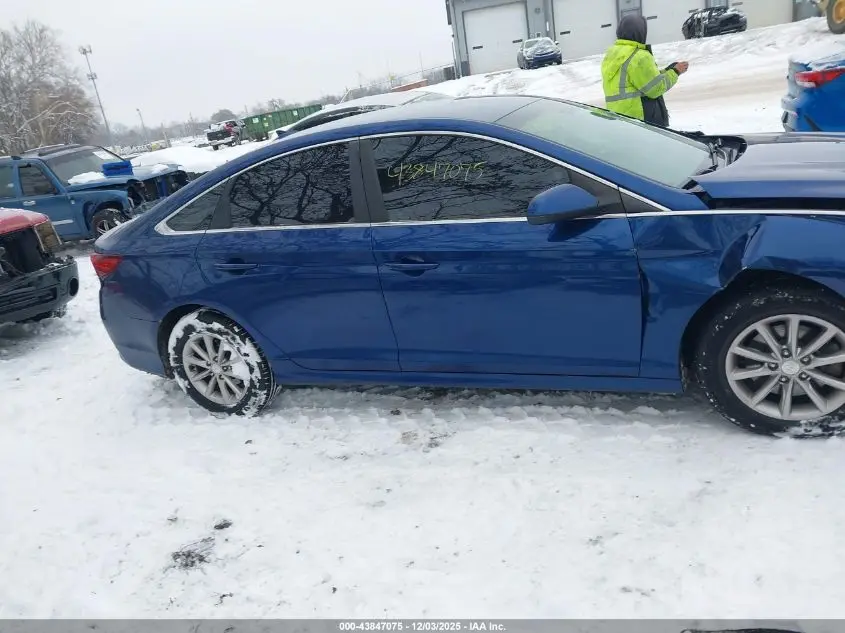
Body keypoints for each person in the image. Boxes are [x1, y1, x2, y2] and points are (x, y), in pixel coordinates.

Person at [601, 14, 689, 127]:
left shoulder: (611, 54)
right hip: (639, 119)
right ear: (640, 32)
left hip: (619, 119)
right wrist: (675, 72)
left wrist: (667, 70)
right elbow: (655, 88)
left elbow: (637, 82)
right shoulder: (639, 56)